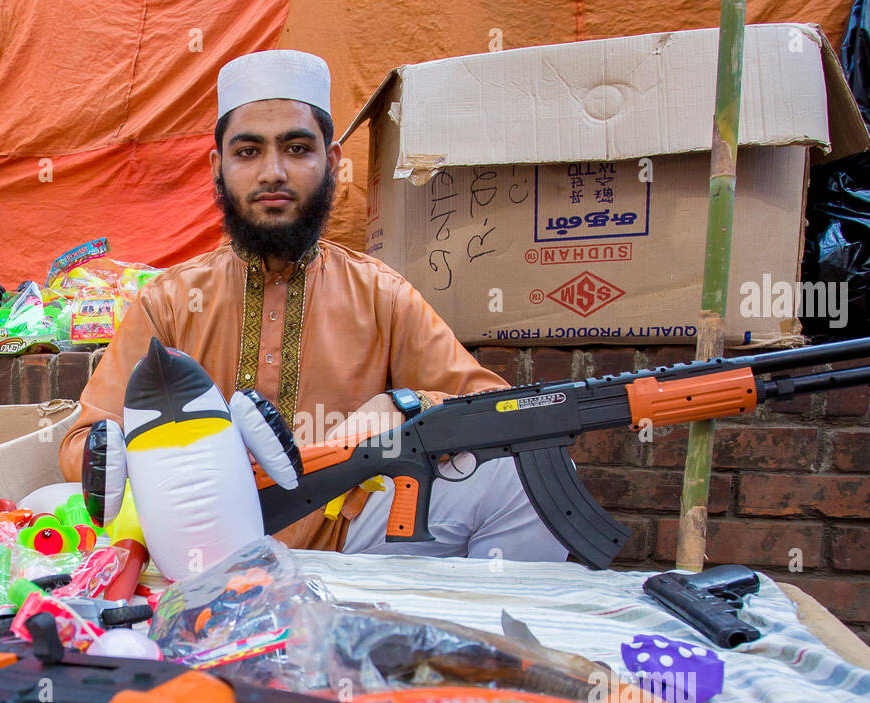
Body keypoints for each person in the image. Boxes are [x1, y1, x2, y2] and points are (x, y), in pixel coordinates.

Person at [59, 50, 567, 563]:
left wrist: (407, 406)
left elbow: (499, 412)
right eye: (248, 152)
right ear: (218, 168)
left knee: (519, 472)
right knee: (50, 506)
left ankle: (472, 635)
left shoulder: (379, 294)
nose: (273, 173)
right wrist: (157, 458)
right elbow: (84, 441)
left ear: (333, 162)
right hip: (200, 548)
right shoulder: (167, 301)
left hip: (350, 544)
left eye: (297, 149)